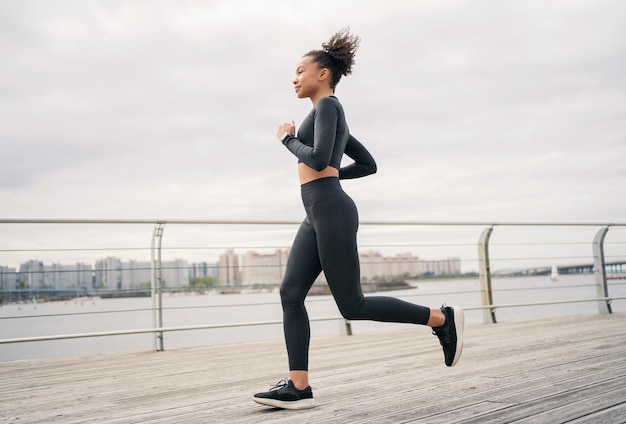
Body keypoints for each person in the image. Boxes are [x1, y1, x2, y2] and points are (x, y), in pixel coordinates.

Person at [253, 28, 464, 410]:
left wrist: (286, 139)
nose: (294, 78)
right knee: (290, 294)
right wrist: (332, 171)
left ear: (323, 73)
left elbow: (317, 159)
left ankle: (440, 318)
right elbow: (367, 165)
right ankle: (298, 386)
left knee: (352, 305)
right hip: (316, 210)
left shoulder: (328, 108)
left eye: (300, 70)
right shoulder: (326, 114)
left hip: (330, 208)